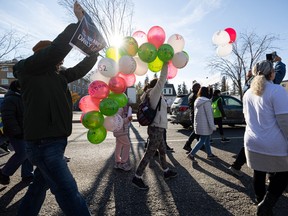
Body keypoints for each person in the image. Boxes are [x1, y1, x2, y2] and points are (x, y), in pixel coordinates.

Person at [13, 2, 98, 216]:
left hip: (55, 142)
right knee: (69, 193)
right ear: (44, 55)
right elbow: (57, 49)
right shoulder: (29, 69)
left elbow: (78, 70)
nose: (61, 60)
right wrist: (79, 26)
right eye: (56, 57)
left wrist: (94, 54)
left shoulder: (57, 76)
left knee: (38, 188)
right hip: (44, 145)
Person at [243, 60, 288, 215]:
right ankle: (266, 205)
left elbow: (246, 118)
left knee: (259, 171)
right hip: (274, 143)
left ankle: (260, 199)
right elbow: (285, 121)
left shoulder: (248, 93)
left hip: (252, 141)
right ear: (271, 74)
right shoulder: (277, 90)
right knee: (284, 173)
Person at [132, 63, 178, 190]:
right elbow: (163, 78)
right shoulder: (154, 93)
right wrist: (164, 63)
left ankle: (166, 171)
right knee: (150, 153)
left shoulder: (154, 95)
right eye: (160, 86)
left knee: (162, 150)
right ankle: (137, 177)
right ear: (156, 86)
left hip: (158, 127)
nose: (162, 87)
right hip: (156, 128)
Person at [0, 80, 34, 185]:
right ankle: (4, 173)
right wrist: (16, 131)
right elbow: (8, 117)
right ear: (19, 88)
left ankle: (27, 174)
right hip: (16, 132)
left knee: (29, 152)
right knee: (23, 153)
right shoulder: (11, 99)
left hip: (26, 130)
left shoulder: (23, 97)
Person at [187, 87, 217, 163]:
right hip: (205, 125)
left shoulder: (197, 100)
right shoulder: (206, 102)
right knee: (202, 140)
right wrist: (212, 126)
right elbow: (209, 115)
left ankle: (209, 154)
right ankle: (191, 154)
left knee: (206, 139)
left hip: (200, 124)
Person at [113, 104, 133, 171]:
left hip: (119, 131)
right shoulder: (119, 108)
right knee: (127, 145)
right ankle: (123, 163)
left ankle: (117, 162)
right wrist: (128, 119)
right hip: (121, 131)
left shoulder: (120, 108)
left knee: (119, 145)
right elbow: (118, 121)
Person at [183, 83, 201, 153]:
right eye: (199, 87)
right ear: (196, 88)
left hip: (193, 114)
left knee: (197, 131)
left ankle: (200, 144)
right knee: (196, 131)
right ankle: (187, 144)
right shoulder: (195, 95)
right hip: (195, 115)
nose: (200, 89)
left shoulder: (190, 95)